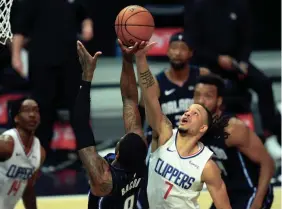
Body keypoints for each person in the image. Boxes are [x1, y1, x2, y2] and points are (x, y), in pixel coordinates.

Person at [133, 41, 231, 209]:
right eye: (188, 110)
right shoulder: (165, 135)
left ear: (203, 128)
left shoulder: (207, 165)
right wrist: (141, 59)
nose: (187, 113)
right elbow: (150, 96)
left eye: (195, 114)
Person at [184, 0, 281, 145]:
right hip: (207, 63)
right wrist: (217, 59)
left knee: (264, 83)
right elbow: (192, 43)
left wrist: (242, 61)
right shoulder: (198, 6)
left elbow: (247, 38)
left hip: (235, 63)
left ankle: (270, 133)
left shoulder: (239, 5)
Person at [11, 0, 94, 167]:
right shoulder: (31, 3)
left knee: (78, 107)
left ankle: (85, 156)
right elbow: (20, 29)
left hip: (71, 60)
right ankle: (42, 155)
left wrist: (87, 26)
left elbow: (84, 15)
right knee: (42, 108)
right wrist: (16, 55)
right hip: (42, 60)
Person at [73, 41, 148, 209]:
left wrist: (87, 76)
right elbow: (129, 100)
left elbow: (80, 125)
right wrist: (127, 59)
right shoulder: (142, 164)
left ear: (118, 153)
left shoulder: (104, 178)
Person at [193, 74, 274, 209]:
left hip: (251, 191)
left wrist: (257, 202)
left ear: (219, 101)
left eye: (208, 96)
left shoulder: (232, 128)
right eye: (197, 95)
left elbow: (268, 163)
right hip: (226, 193)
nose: (200, 101)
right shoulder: (196, 126)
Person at [139, 31, 209, 141]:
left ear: (191, 53)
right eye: (174, 48)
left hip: (197, 138)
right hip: (166, 140)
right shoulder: (156, 81)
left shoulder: (202, 75)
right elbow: (141, 112)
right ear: (167, 51)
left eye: (183, 48)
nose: (177, 52)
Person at [0, 97, 45, 209]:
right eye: (26, 110)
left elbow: (28, 188)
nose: (32, 115)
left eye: (36, 110)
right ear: (16, 118)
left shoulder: (39, 151)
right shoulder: (6, 144)